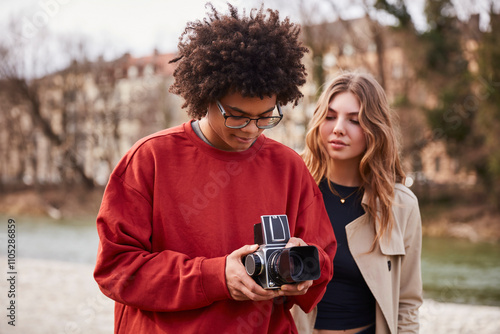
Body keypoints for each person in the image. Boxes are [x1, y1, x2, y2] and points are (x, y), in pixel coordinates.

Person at [93, 3, 337, 333]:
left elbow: (323, 260)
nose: (251, 129)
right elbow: (116, 268)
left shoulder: (289, 168)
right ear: (206, 95)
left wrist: (303, 270)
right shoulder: (148, 160)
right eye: (236, 115)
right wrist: (215, 276)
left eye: (266, 117)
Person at [294, 72, 423, 334]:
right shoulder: (292, 190)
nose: (338, 128)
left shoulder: (401, 205)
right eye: (330, 117)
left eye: (354, 120)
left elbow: (407, 303)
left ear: (375, 129)